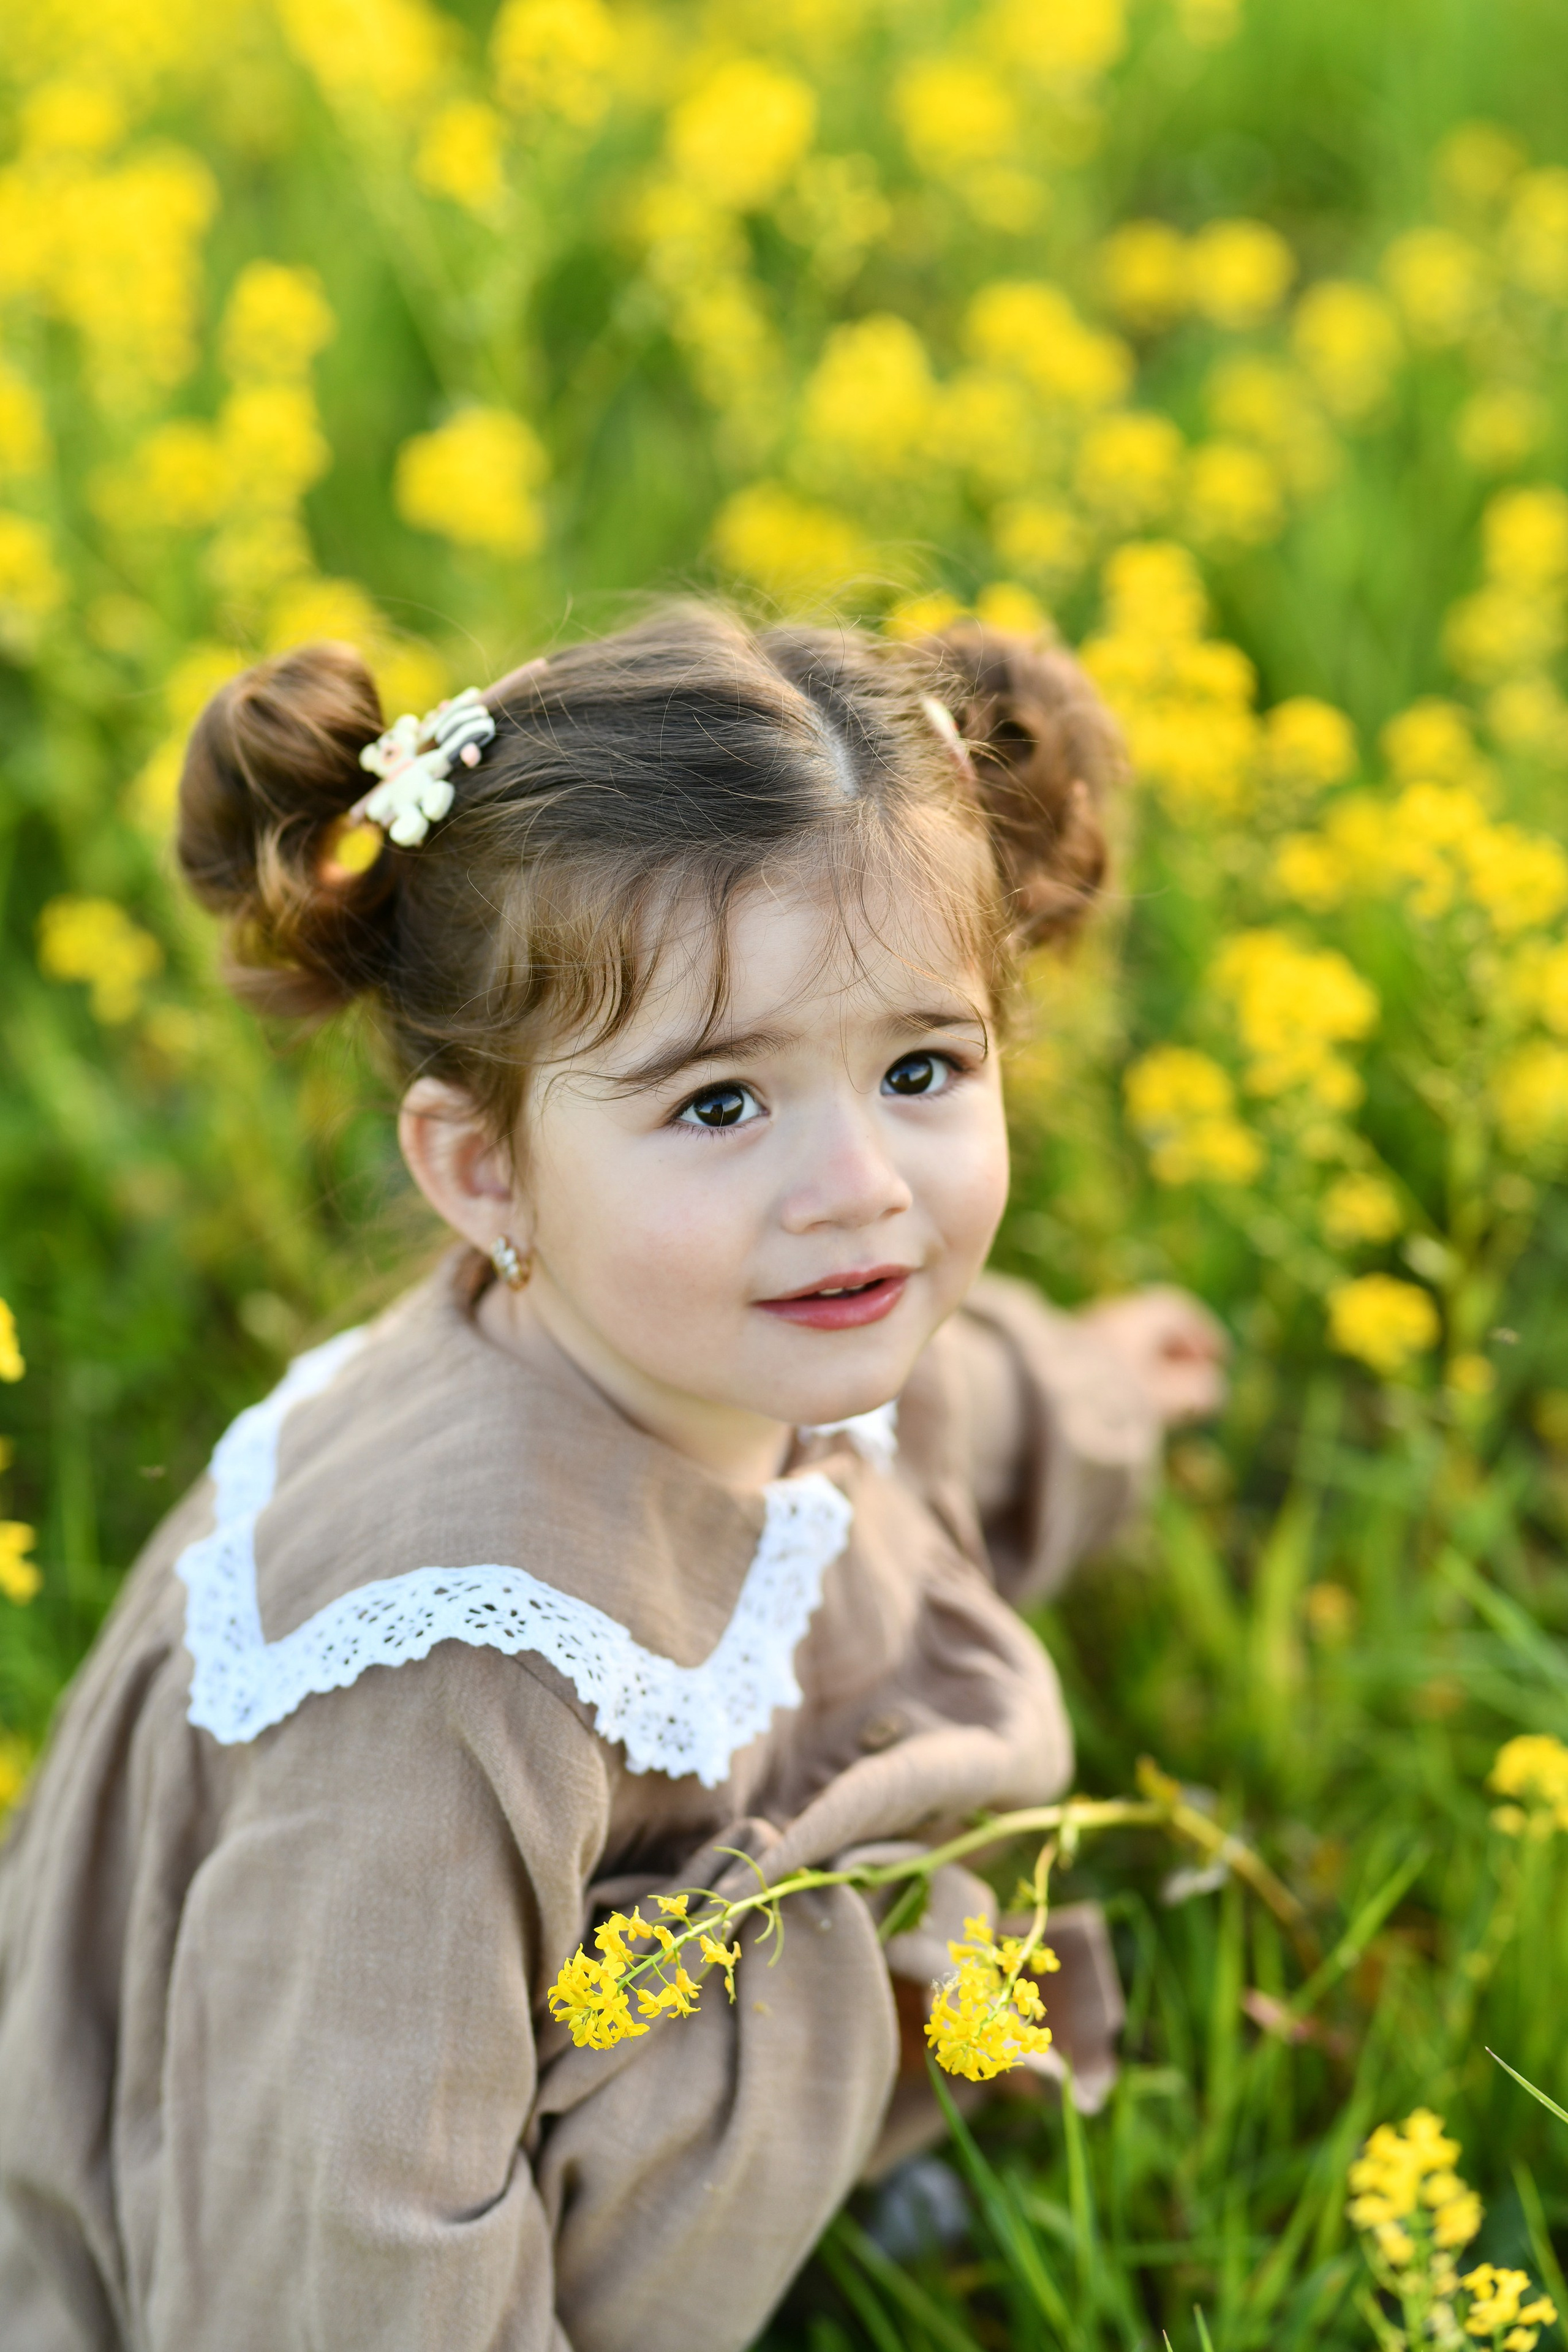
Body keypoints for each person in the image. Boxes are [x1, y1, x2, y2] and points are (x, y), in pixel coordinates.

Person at [0, 605, 1224, 2351]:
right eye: (721, 1105)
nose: (860, 1183)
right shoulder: (444, 1670)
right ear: (483, 1167)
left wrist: (1104, 1391)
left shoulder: (728, 1322)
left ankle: (816, 2131)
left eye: (923, 1068)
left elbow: (942, 1403)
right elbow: (346, 2234)